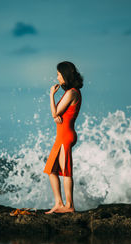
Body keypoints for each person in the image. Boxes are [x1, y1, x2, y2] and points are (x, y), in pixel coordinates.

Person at [43, 61, 83, 214]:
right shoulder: (70, 93)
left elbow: (55, 113)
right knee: (51, 170)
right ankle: (59, 203)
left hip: (65, 135)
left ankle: (70, 206)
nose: (57, 77)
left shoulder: (72, 92)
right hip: (62, 135)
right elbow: (58, 114)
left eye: (59, 74)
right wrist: (56, 116)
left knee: (66, 172)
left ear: (65, 75)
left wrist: (51, 95)